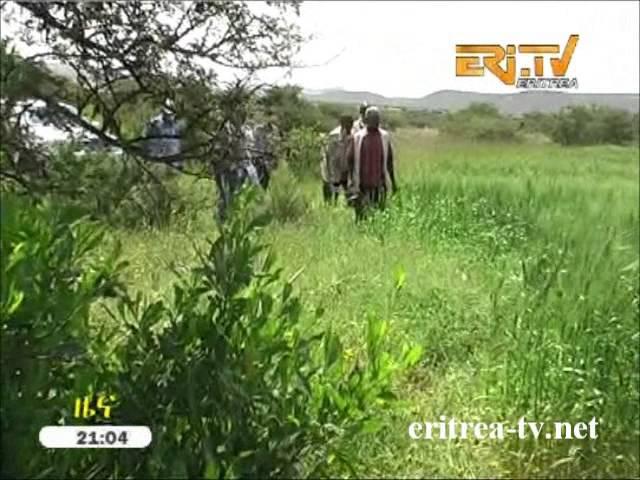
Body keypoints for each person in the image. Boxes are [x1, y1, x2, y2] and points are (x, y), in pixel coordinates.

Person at [346, 106, 397, 222]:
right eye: (372, 119)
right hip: (361, 185)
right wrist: (350, 181)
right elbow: (350, 160)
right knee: (361, 217)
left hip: (379, 185)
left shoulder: (384, 137)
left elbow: (389, 160)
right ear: (366, 120)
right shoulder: (358, 137)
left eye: (377, 119)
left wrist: (393, 183)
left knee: (378, 215)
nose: (375, 121)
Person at [321, 114, 353, 204]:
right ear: (343, 125)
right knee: (332, 187)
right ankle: (330, 204)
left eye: (351, 126)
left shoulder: (351, 135)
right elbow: (329, 156)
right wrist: (331, 174)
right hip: (332, 165)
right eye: (348, 126)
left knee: (346, 188)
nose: (350, 128)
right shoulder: (333, 136)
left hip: (342, 166)